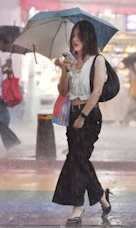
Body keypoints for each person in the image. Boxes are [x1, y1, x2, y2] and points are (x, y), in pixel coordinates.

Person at [52, 20, 111, 225]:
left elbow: (96, 92)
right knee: (78, 159)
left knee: (77, 159)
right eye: (73, 36)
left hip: (90, 116)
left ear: (88, 37)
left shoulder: (98, 61)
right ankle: (101, 197)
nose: (74, 39)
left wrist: (83, 116)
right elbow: (63, 91)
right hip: (72, 113)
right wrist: (64, 69)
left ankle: (78, 206)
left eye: (79, 35)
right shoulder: (71, 61)